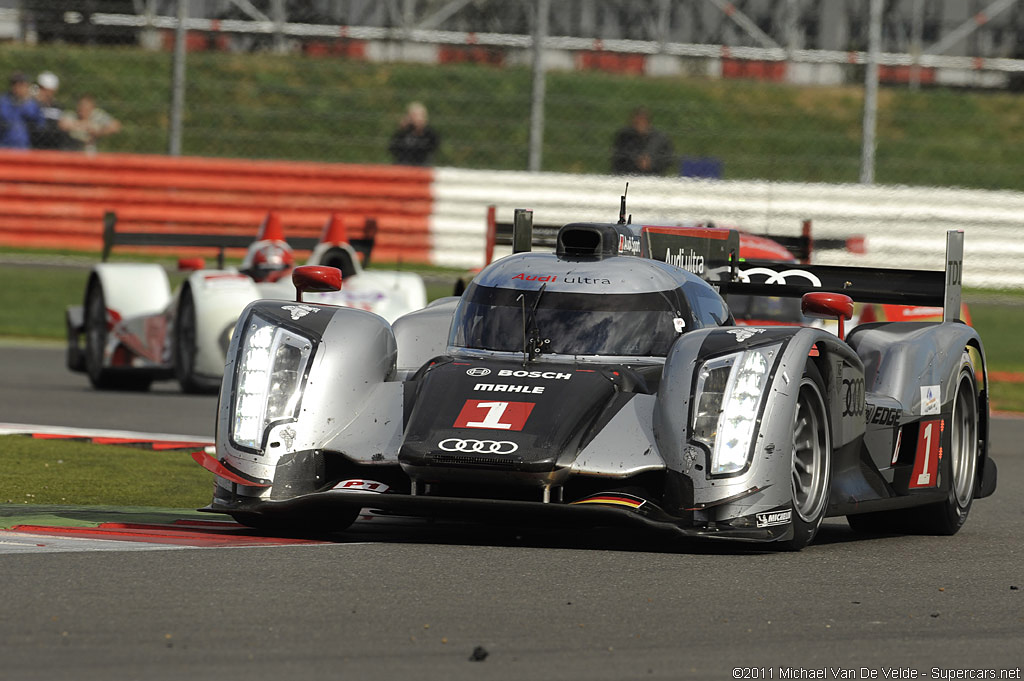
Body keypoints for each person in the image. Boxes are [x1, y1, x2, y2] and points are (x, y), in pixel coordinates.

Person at [611, 106, 675, 176]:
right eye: (637, 122)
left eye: (642, 121)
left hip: (653, 177)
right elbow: (618, 157)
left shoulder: (660, 139)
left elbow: (668, 159)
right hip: (628, 175)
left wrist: (651, 163)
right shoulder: (624, 137)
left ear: (648, 122)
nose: (639, 124)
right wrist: (636, 160)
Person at [0, 72, 44, 149]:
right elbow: (6, 117)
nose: (20, 88)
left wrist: (26, 102)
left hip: (24, 147)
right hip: (4, 145)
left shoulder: (32, 103)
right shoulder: (4, 101)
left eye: (23, 85)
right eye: (17, 85)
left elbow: (39, 123)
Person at [388, 101, 439, 166]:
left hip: (422, 166)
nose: (418, 118)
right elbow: (393, 149)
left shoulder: (429, 133)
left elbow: (432, 148)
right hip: (403, 165)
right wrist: (402, 130)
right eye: (415, 115)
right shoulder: (404, 133)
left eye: (420, 115)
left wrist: (420, 131)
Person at [31, 71, 69, 150]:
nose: (42, 92)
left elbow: (62, 124)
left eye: (44, 89)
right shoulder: (32, 104)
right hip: (35, 145)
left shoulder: (58, 107)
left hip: (54, 146)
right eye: (41, 88)